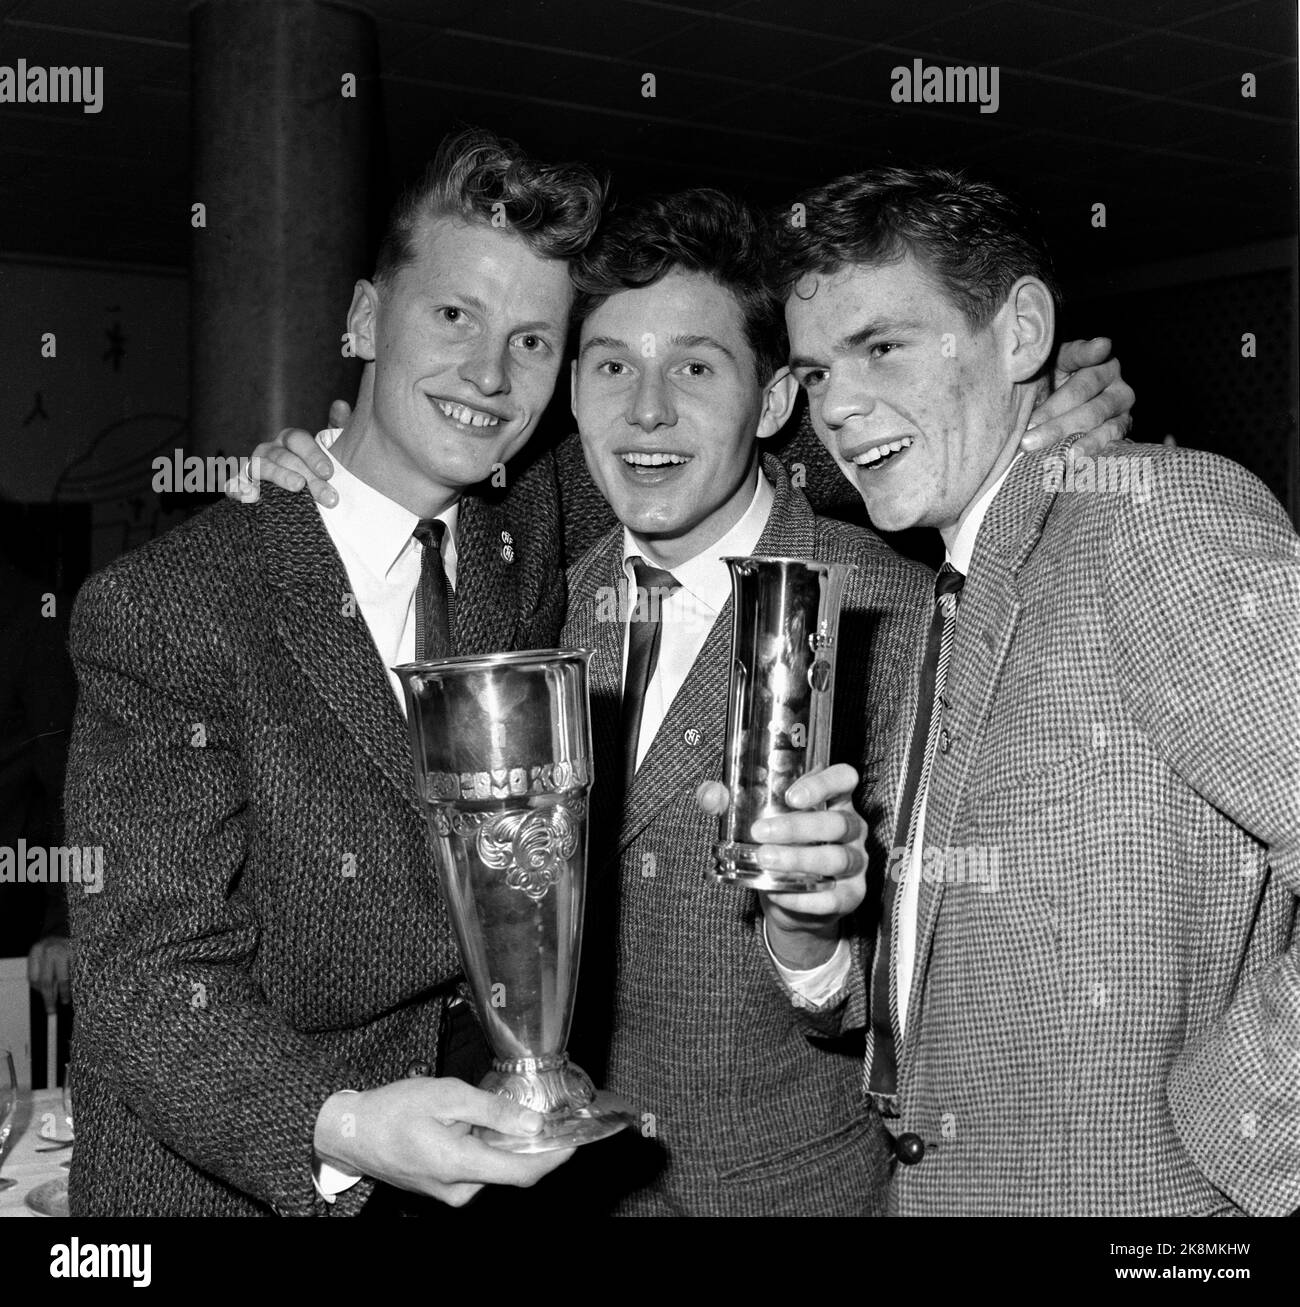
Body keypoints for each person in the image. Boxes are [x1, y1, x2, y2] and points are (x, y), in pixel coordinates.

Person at [248, 184, 1136, 1214]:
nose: (647, 408)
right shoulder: (529, 596)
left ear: (769, 403)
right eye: (611, 365)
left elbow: (945, 975)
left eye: (697, 367)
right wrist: (306, 495)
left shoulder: (902, 611)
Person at [64, 128, 604, 1216]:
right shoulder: (175, 602)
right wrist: (349, 1125)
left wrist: (1028, 402)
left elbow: (732, 426)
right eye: (453, 315)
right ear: (363, 317)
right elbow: (143, 977)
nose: (490, 375)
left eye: (533, 341)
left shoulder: (526, 519)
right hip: (231, 1192)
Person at [775, 164, 1300, 1216]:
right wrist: (820, 938)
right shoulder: (962, 579)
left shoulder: (1153, 516)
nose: (837, 406)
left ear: (1021, 335)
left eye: (880, 346)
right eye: (815, 370)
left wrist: (1231, 1136)